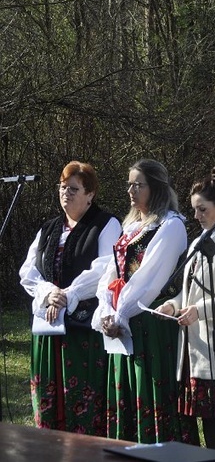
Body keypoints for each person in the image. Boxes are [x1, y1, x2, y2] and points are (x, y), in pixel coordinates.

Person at [91, 159, 194, 443]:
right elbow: (111, 270)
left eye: (138, 184)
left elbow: (149, 278)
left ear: (157, 188)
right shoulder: (133, 225)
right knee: (127, 389)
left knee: (150, 390)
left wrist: (121, 314)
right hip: (124, 319)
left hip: (150, 320)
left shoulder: (171, 226)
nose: (131, 191)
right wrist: (106, 311)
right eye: (129, 184)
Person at [20, 161, 121, 435]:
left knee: (83, 400)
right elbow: (28, 270)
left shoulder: (106, 224)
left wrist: (69, 294)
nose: (66, 193)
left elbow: (104, 266)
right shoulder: (50, 227)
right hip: (47, 327)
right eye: (63, 187)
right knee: (48, 399)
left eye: (74, 189)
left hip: (83, 330)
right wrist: (48, 292)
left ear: (90, 194)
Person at [156, 167, 215, 452]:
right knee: (209, 425)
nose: (196, 216)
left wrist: (199, 309)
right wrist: (174, 304)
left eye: (202, 209)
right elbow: (190, 289)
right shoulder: (199, 240)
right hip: (195, 349)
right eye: (194, 209)